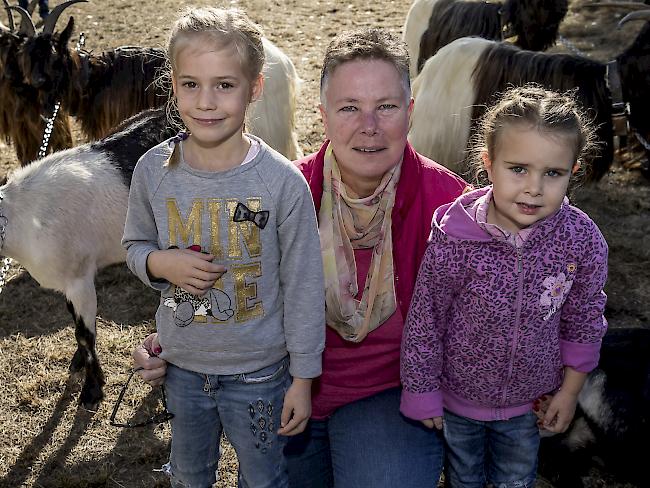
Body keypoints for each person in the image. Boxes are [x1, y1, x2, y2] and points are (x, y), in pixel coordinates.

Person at [134, 27, 467, 487]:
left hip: (385, 395)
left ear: (410, 113)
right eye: (349, 107)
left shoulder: (452, 208)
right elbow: (228, 279)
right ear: (323, 115)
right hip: (277, 388)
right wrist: (173, 342)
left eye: (386, 107)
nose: (368, 126)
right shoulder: (282, 190)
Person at [121, 7, 324, 488]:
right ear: (173, 85)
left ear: (255, 88)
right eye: (190, 84)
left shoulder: (282, 182)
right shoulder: (153, 170)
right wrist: (158, 262)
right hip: (183, 370)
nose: (206, 102)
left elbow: (303, 287)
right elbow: (133, 245)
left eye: (225, 85)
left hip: (260, 377)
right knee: (190, 476)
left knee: (263, 478)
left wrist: (303, 378)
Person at [400, 85, 609, 488]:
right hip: (457, 400)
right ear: (488, 163)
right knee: (464, 477)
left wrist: (569, 393)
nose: (534, 187)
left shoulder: (580, 240)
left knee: (515, 479)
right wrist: (422, 389)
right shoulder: (456, 237)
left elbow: (585, 318)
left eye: (553, 173)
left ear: (574, 171)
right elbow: (426, 319)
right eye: (518, 169)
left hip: (529, 405)